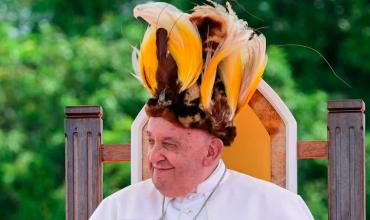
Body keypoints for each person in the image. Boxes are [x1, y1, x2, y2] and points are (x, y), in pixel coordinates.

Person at [90, 1, 315, 219]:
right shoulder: (117, 210)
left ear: (211, 152)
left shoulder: (275, 208)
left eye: (169, 144)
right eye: (151, 141)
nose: (154, 156)